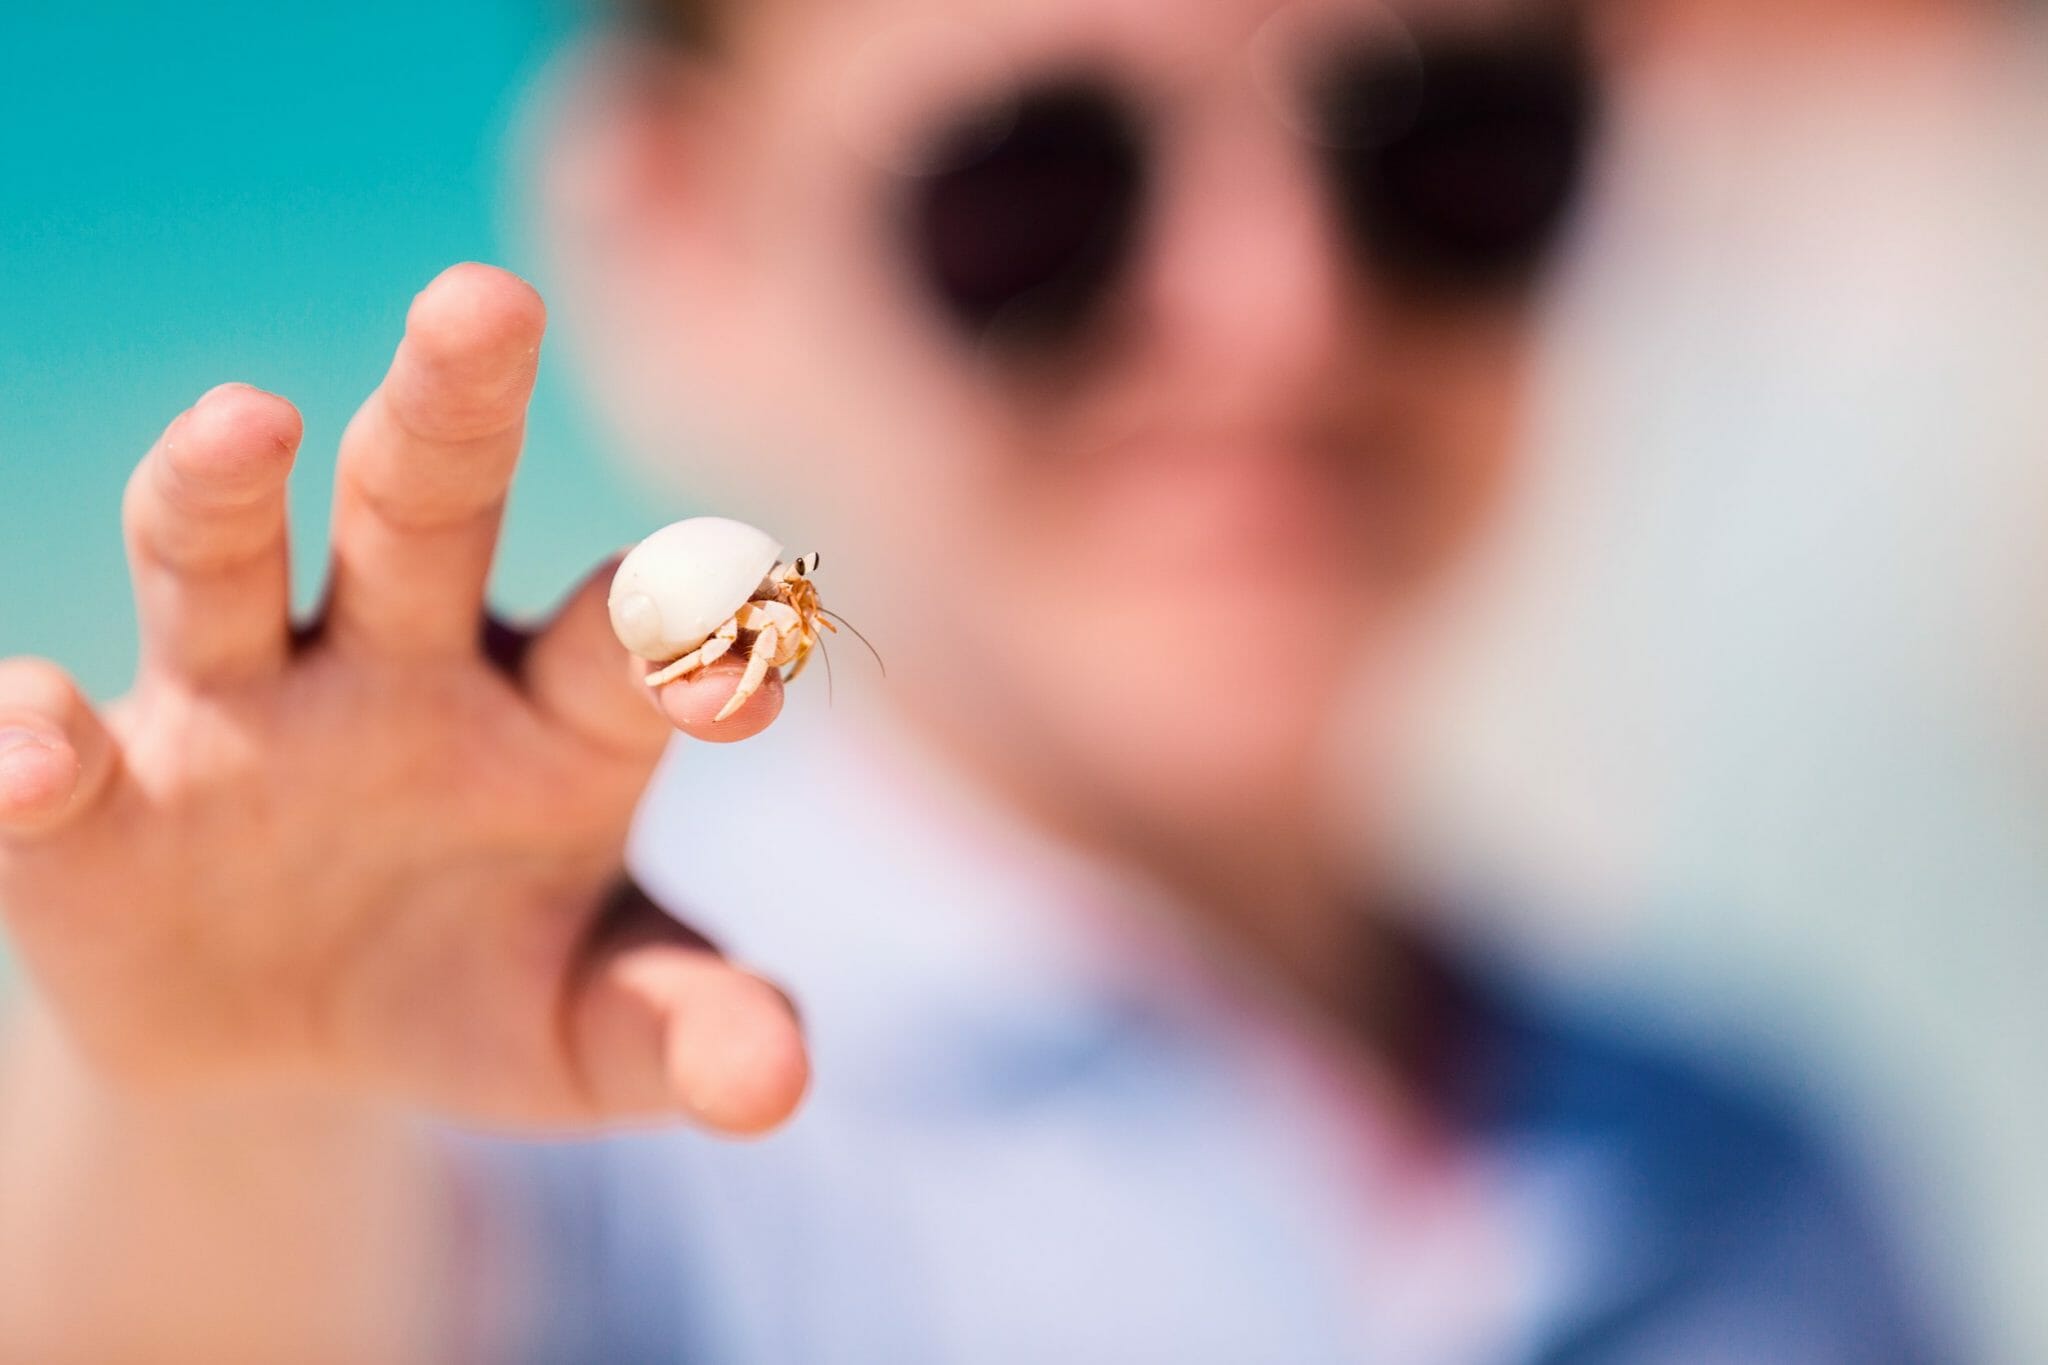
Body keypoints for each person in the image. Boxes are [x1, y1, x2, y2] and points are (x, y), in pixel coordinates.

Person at [0, 0, 1945, 1359]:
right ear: (684, 229)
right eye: (1033, 188)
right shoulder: (587, 1085)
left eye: (1453, 152)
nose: (1276, 307)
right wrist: (238, 1092)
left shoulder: (1769, 1178)